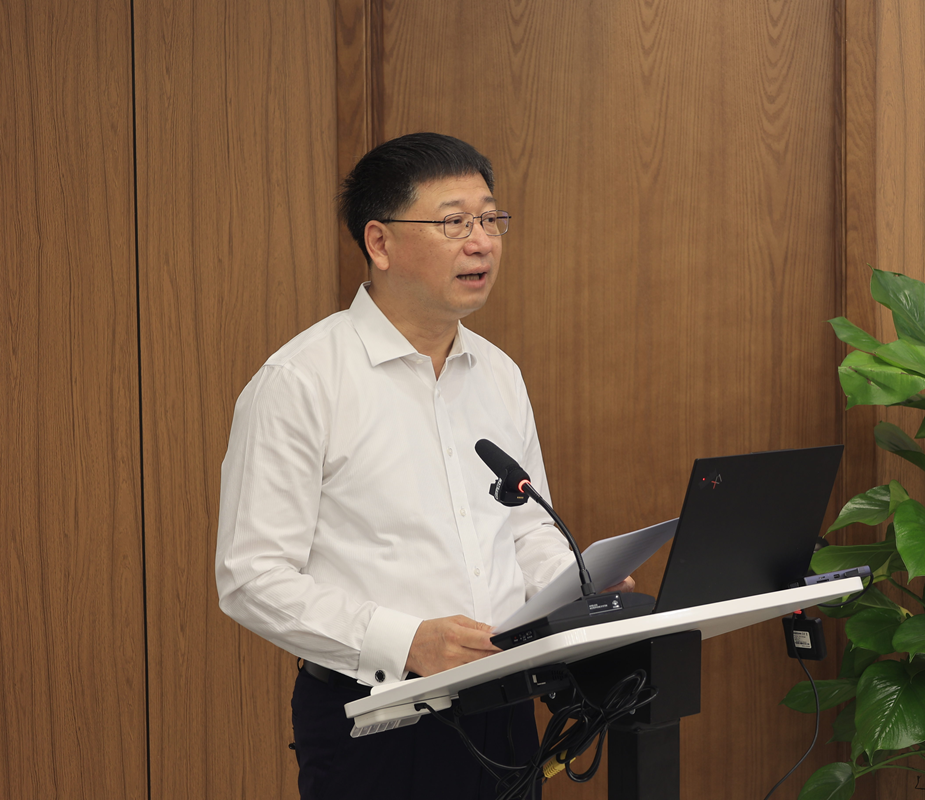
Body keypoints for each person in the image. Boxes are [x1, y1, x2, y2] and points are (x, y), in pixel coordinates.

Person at [215, 133, 622, 798]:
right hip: (379, 720)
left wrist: (580, 588)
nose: (482, 243)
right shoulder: (301, 381)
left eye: (490, 219)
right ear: (380, 242)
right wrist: (406, 642)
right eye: (454, 222)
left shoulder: (498, 374)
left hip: (506, 706)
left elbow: (526, 531)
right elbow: (251, 577)